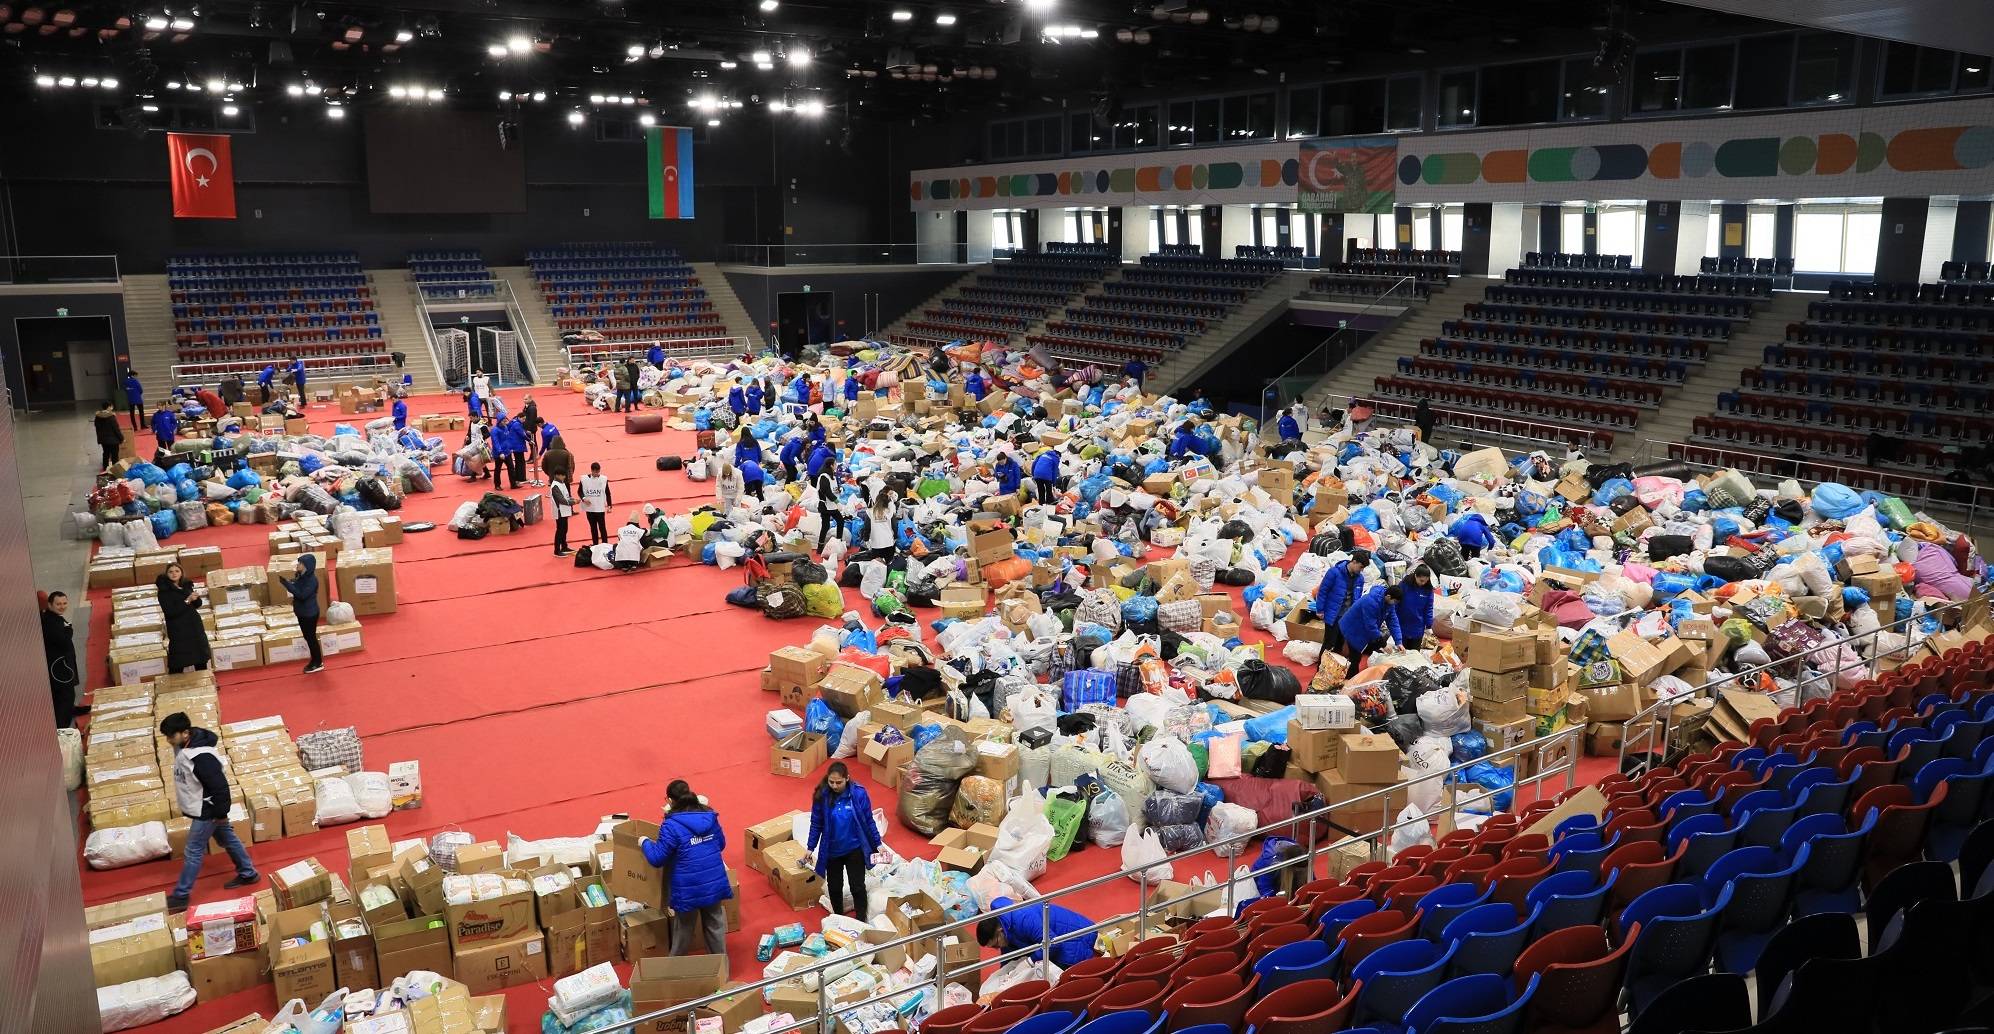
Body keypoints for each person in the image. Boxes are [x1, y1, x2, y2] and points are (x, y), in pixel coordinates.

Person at [160, 711, 260, 910]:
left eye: (171, 736)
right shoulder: (184, 746)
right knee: (227, 839)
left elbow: (219, 787)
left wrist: (219, 813)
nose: (168, 740)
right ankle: (248, 873)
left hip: (208, 810)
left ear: (185, 733)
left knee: (193, 850)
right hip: (204, 807)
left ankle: (181, 896)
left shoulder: (202, 757)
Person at [640, 780, 732, 960]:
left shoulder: (671, 825)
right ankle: (721, 969)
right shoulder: (709, 816)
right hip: (714, 882)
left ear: (670, 801)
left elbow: (657, 858)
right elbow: (720, 844)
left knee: (683, 929)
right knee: (715, 925)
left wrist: (644, 842)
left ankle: (675, 969)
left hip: (688, 888)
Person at [805, 762, 883, 919]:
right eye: (831, 782)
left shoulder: (858, 794)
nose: (834, 786)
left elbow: (868, 820)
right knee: (834, 888)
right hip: (832, 851)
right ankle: (839, 918)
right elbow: (816, 823)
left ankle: (861, 919)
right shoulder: (822, 796)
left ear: (847, 778)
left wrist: (878, 843)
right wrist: (810, 847)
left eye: (838, 782)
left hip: (855, 849)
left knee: (857, 886)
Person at [977, 897, 1099, 968]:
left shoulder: (1023, 919)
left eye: (995, 944)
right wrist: (1005, 973)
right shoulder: (1004, 925)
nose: (997, 948)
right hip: (1059, 936)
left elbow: (1052, 943)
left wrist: (1030, 961)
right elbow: (1009, 953)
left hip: (1080, 937)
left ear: (999, 931)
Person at [1312, 549, 1369, 660]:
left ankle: (1334, 667)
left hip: (1347, 616)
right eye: (1361, 567)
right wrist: (1320, 609)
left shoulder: (1360, 578)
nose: (1361, 570)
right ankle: (1321, 666)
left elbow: (1357, 597)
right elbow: (1323, 591)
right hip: (1333, 614)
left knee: (1340, 643)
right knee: (1329, 643)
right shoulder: (1334, 573)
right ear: (1354, 562)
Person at [275, 555, 325, 674]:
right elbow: (297, 587)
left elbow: (302, 595)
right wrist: (290, 582)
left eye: (300, 563)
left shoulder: (312, 581)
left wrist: (287, 584)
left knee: (311, 638)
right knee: (308, 637)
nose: (298, 565)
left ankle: (318, 662)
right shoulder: (301, 576)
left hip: (309, 614)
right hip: (302, 612)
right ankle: (315, 660)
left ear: (307, 566)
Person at [158, 562, 210, 673]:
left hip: (195, 628)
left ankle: (205, 681)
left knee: (200, 658)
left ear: (181, 573)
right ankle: (174, 683)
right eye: (171, 572)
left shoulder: (186, 586)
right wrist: (187, 600)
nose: (174, 574)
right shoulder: (164, 591)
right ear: (167, 574)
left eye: (177, 571)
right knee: (178, 662)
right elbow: (170, 611)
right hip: (179, 630)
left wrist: (196, 598)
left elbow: (197, 605)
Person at [42, 590, 84, 728]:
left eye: (64, 603)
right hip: (59, 666)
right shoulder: (50, 622)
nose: (62, 607)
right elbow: (64, 641)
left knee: (68, 692)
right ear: (50, 604)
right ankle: (62, 727)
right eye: (58, 604)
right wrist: (69, 629)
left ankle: (71, 710)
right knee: (65, 695)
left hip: (63, 661)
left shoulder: (54, 617)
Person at [1338, 583, 1405, 664]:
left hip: (1362, 629)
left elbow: (1393, 622)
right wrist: (1383, 645)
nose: (1395, 604)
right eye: (1395, 601)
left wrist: (1399, 642)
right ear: (1388, 596)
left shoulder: (1389, 604)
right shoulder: (1371, 602)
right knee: (1353, 659)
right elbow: (1371, 626)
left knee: (1358, 656)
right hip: (1352, 628)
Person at [1394, 566, 1436, 650]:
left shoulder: (1428, 590)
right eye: (1421, 580)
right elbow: (1396, 602)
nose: (1423, 583)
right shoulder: (1404, 585)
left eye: (1426, 581)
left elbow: (1428, 608)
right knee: (1401, 652)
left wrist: (1429, 625)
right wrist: (1393, 618)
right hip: (1402, 624)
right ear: (1415, 576)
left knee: (1414, 653)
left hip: (1417, 627)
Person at [813, 463, 847, 553]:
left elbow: (833, 489)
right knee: (828, 525)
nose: (836, 465)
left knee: (836, 522)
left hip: (831, 505)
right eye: (835, 463)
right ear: (831, 465)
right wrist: (837, 502)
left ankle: (835, 543)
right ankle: (823, 546)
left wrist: (839, 490)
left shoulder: (832, 477)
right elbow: (826, 492)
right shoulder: (823, 477)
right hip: (825, 505)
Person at [579, 462, 612, 545]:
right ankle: (595, 545)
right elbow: (579, 491)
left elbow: (608, 493)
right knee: (593, 528)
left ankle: (605, 545)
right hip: (590, 509)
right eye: (595, 472)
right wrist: (584, 498)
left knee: (602, 528)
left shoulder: (603, 479)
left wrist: (609, 505)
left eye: (598, 472)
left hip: (600, 508)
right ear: (591, 470)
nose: (597, 474)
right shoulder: (584, 479)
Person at [94, 400, 124, 471]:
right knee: (114, 456)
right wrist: (121, 438)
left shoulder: (98, 417)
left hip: (103, 440)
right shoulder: (111, 417)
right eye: (111, 406)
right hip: (113, 440)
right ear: (108, 407)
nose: (112, 408)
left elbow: (97, 427)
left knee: (105, 453)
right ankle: (115, 470)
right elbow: (116, 429)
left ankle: (105, 468)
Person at [550, 475, 575, 556]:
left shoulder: (562, 483)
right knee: (560, 530)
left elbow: (565, 496)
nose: (564, 477)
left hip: (564, 510)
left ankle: (564, 546)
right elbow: (561, 499)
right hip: (559, 511)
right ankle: (557, 550)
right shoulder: (555, 486)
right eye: (562, 475)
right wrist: (573, 502)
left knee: (564, 529)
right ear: (557, 475)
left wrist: (571, 499)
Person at [519, 395, 543, 468]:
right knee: (531, 444)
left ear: (530, 399)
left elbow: (532, 420)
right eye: (524, 399)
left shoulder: (532, 408)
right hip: (527, 428)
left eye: (526, 399)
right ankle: (531, 457)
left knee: (533, 443)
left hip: (531, 429)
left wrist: (529, 429)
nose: (524, 400)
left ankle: (534, 458)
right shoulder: (528, 406)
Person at [122, 367, 145, 432]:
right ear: (132, 375)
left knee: (132, 414)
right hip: (138, 399)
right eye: (135, 375)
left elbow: (124, 388)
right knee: (141, 412)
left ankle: (135, 427)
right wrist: (138, 393)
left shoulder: (125, 381)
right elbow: (140, 390)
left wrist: (129, 391)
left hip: (130, 399)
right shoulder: (136, 381)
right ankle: (142, 425)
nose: (136, 377)